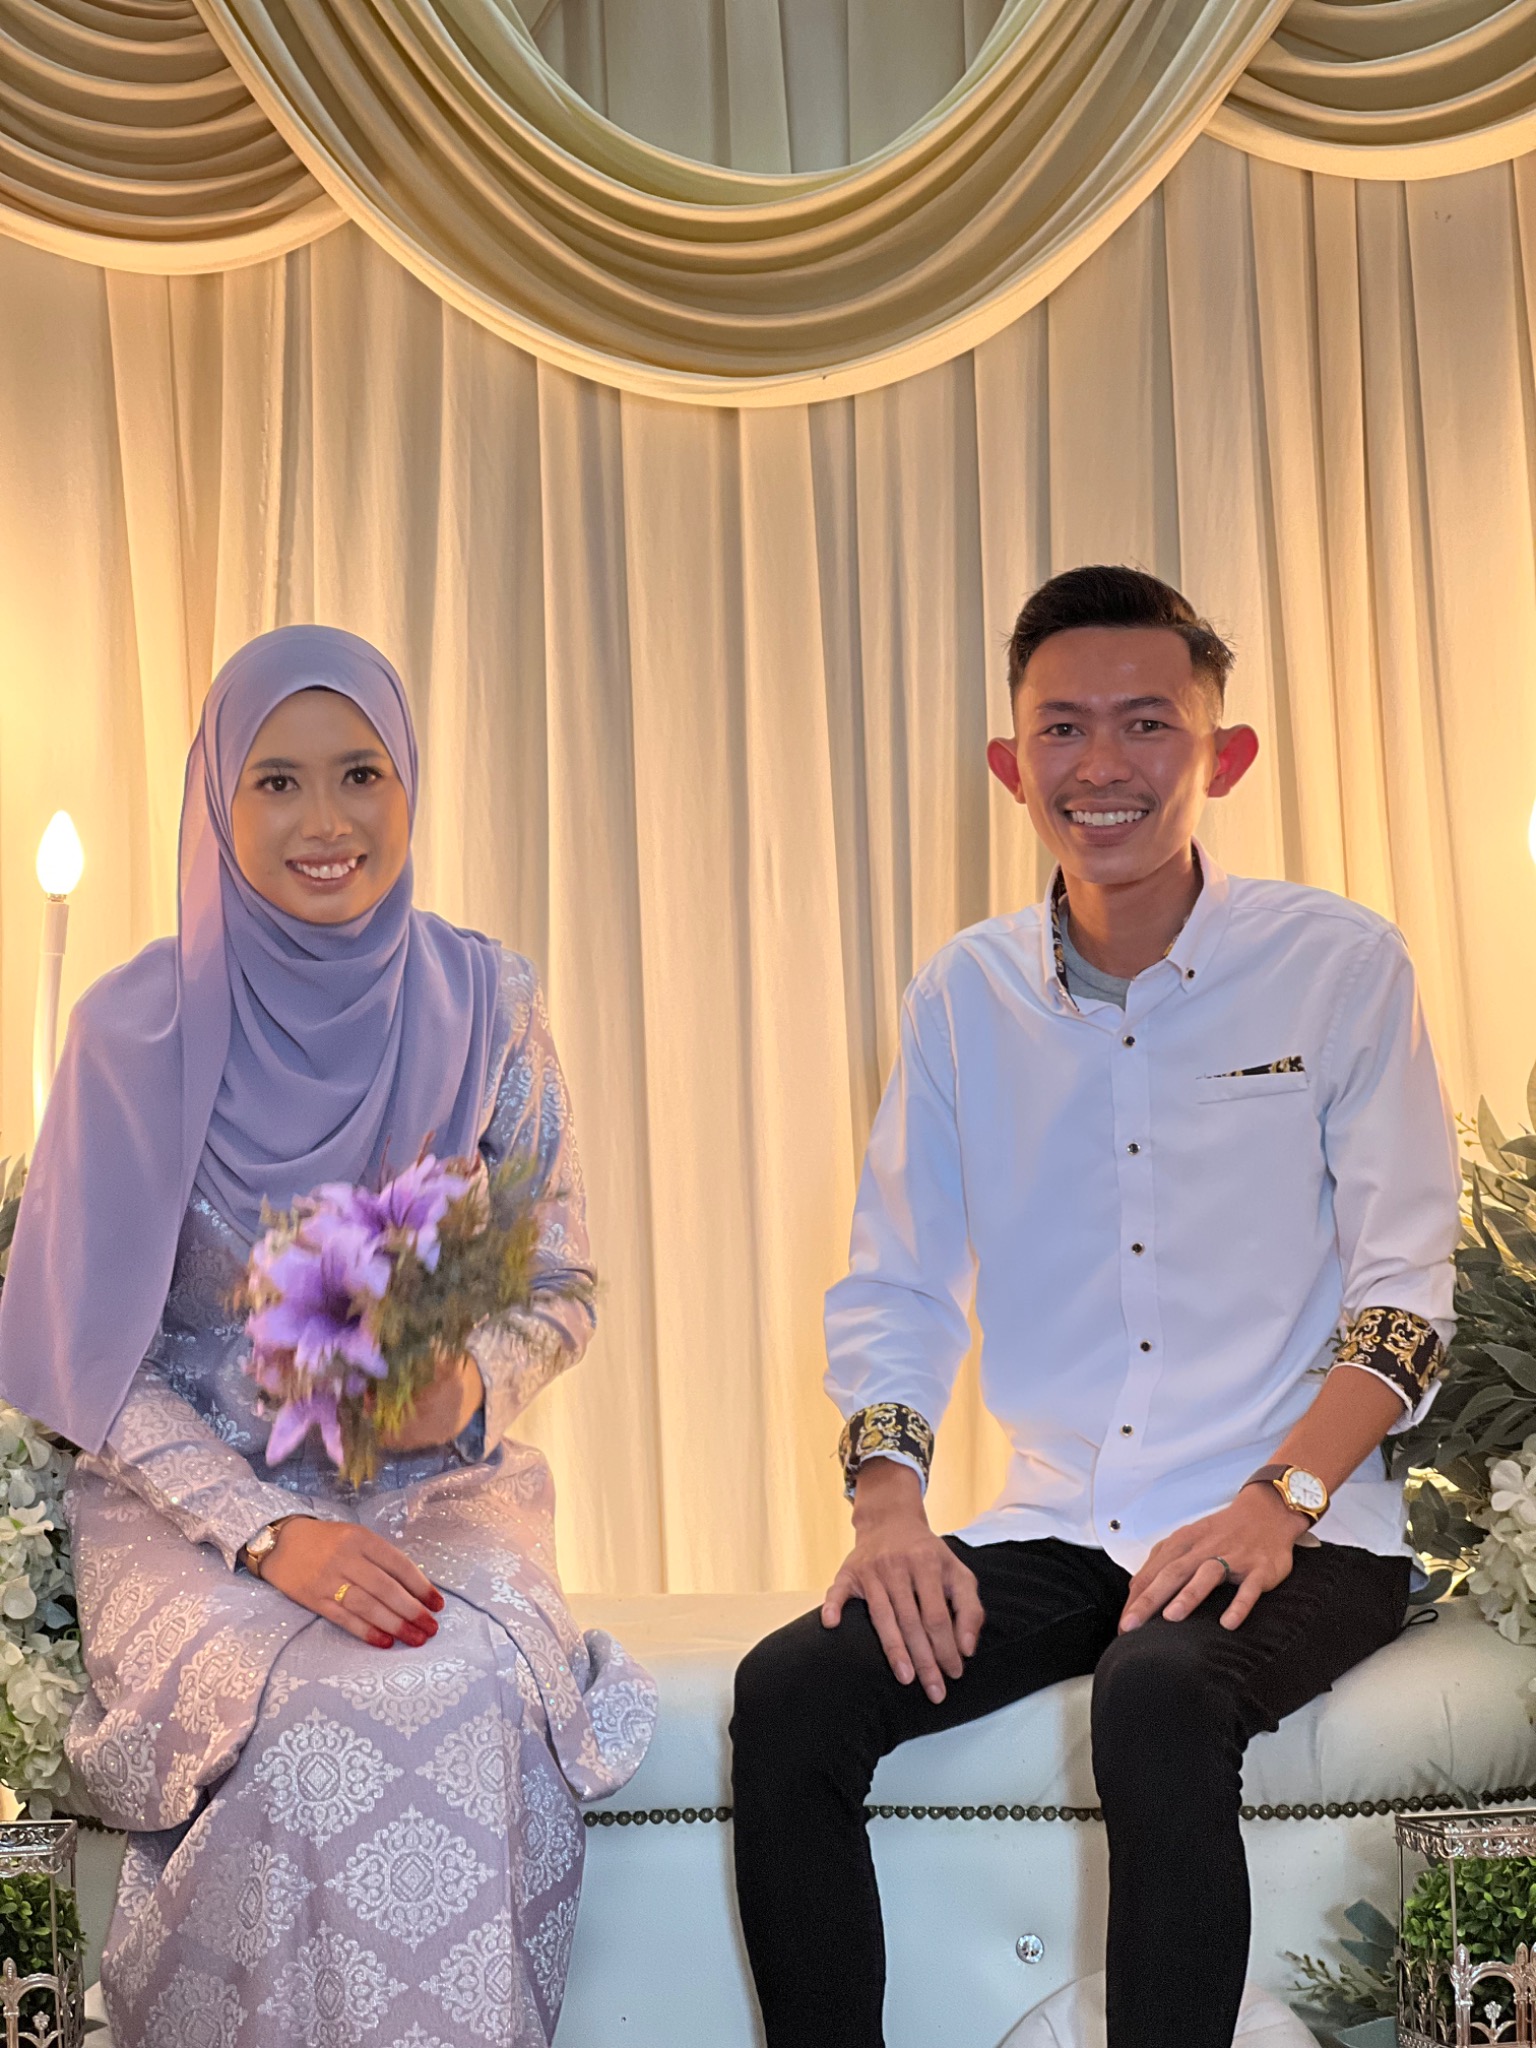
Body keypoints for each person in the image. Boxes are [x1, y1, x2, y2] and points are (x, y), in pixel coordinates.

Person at [730, 565, 1460, 2048]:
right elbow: (899, 1283)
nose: (1102, 764)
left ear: (1221, 756)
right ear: (1014, 766)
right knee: (794, 1688)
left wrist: (1280, 1496)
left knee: (1156, 1695)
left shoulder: (1338, 968)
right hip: (1064, 1522)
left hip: (1301, 1525)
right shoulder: (961, 997)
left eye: (1146, 723)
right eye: (1063, 728)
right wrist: (890, 1511)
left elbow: (1405, 1292)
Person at [0, 626, 655, 2048]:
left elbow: (561, 1283)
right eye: (277, 781)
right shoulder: (131, 1031)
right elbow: (90, 1367)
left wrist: (463, 1390)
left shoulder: (488, 1006)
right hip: (188, 1511)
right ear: (216, 801)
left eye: (361, 774)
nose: (327, 822)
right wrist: (264, 1533)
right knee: (312, 1711)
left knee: (455, 1682)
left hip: (434, 1493)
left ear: (409, 783)